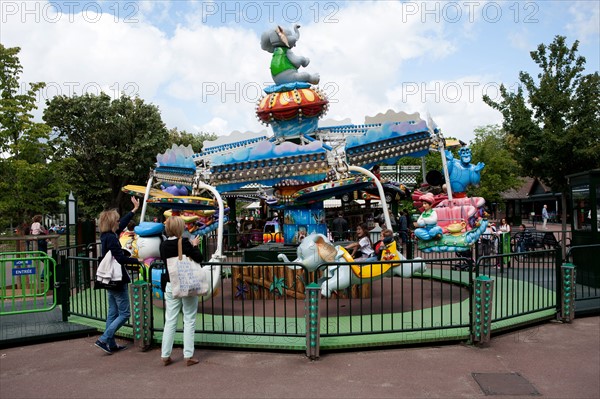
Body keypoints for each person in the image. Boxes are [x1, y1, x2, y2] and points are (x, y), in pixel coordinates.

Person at [94, 196, 139, 355]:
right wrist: (136, 260)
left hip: (109, 280)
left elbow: (124, 223)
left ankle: (111, 344)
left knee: (112, 312)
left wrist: (133, 210)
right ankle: (104, 338)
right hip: (117, 280)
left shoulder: (106, 235)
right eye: (117, 220)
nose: (120, 222)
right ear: (113, 223)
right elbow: (120, 258)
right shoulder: (112, 239)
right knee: (125, 313)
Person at [159, 216, 202, 367]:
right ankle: (188, 355)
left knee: (170, 319)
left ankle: (165, 355)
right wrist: (194, 245)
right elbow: (198, 258)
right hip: (186, 284)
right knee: (189, 318)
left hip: (171, 284)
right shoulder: (183, 242)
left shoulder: (163, 245)